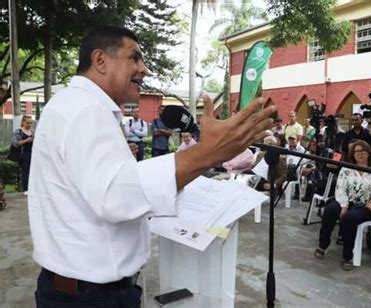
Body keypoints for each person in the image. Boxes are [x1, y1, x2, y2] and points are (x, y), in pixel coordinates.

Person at [28, 25, 275, 307]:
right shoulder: (85, 109)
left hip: (80, 290)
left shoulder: (74, 105)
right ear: (100, 60)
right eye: (134, 57)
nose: (143, 69)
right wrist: (206, 154)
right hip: (90, 297)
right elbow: (116, 196)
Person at [314, 140, 371, 270]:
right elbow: (340, 188)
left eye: (363, 151)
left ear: (369, 153)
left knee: (350, 219)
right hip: (346, 201)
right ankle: (323, 244)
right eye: (357, 152)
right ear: (353, 154)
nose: (360, 154)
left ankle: (347, 256)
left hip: (367, 206)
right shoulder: (347, 169)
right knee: (330, 210)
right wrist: (344, 206)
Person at [12, 115, 34, 193]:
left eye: (30, 123)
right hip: (23, 154)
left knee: (33, 172)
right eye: (27, 123)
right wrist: (26, 140)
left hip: (33, 155)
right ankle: (26, 189)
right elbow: (15, 144)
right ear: (23, 122)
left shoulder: (33, 131)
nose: (29, 125)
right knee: (25, 172)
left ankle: (32, 188)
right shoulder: (18, 132)